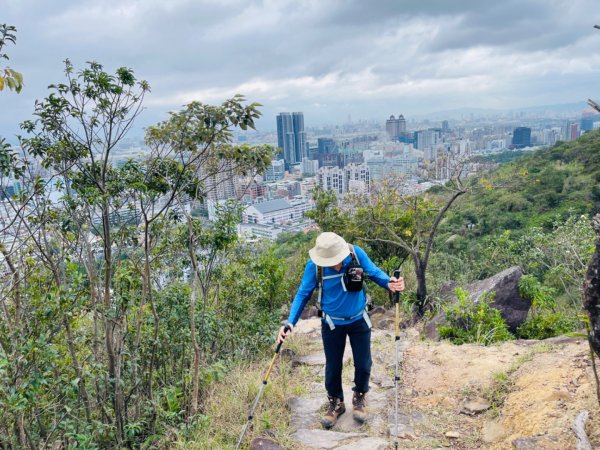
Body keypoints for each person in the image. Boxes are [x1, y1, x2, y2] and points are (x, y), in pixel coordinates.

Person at [277, 232, 404, 429]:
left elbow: (374, 272)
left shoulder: (355, 254)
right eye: (331, 261)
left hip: (358, 319)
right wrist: (290, 322)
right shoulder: (315, 266)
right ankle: (336, 402)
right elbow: (303, 293)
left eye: (337, 260)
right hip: (332, 323)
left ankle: (359, 396)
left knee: (363, 364)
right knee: (333, 366)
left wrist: (390, 283)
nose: (336, 264)